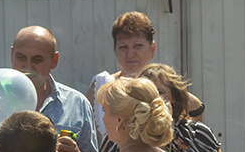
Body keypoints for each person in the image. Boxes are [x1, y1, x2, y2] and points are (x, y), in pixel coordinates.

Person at [0, 25, 97, 152]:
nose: (27, 67)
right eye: (21, 57)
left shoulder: (77, 104)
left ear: (54, 61)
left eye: (37, 60)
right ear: (12, 55)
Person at [86, 12, 203, 143]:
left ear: (152, 49)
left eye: (138, 46)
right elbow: (90, 142)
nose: (130, 54)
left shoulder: (164, 86)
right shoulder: (101, 85)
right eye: (123, 47)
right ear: (115, 50)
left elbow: (196, 109)